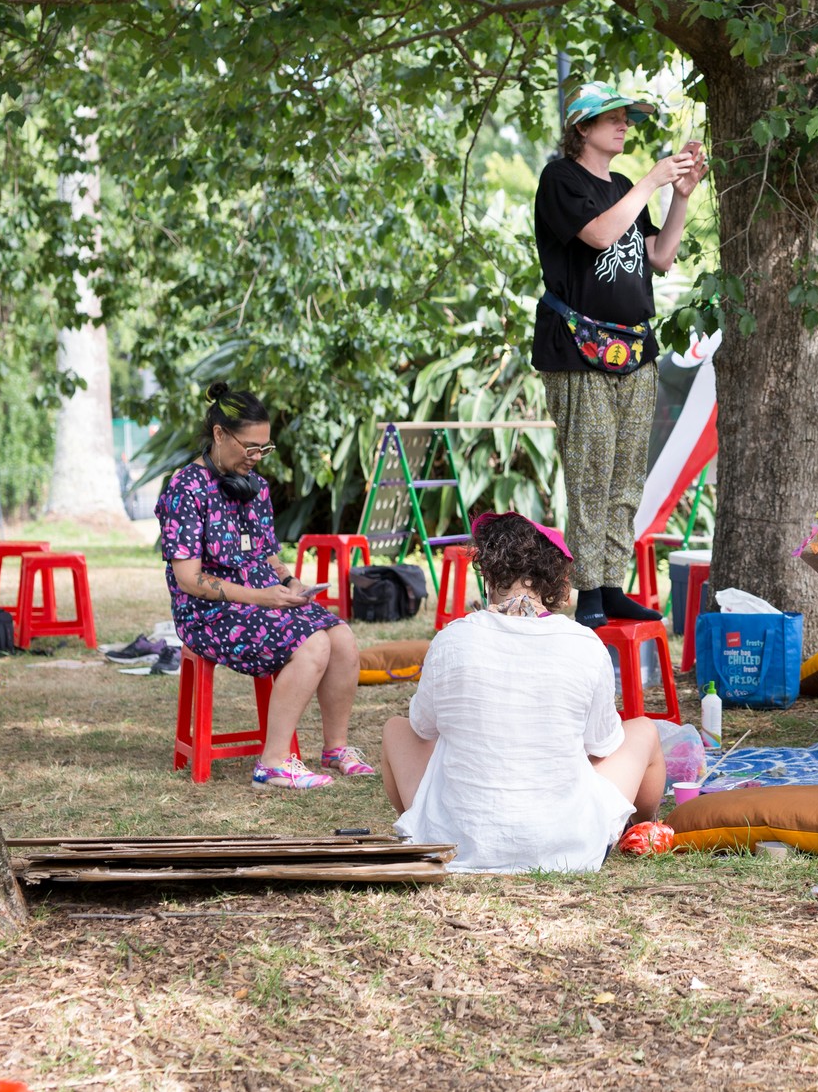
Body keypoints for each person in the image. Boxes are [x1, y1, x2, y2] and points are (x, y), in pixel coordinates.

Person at [381, 511, 666, 872]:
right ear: (559, 582)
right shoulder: (584, 643)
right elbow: (603, 746)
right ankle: (641, 828)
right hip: (568, 846)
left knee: (396, 728)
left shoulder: (452, 639)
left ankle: (431, 827)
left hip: (453, 843)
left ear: (487, 572)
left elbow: (421, 730)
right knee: (643, 730)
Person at [531, 81, 708, 628]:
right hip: (577, 347)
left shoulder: (626, 185)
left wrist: (678, 193)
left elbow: (659, 256)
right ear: (581, 127)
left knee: (628, 473)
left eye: (628, 117)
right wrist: (654, 179)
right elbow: (603, 234)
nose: (625, 124)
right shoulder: (561, 179)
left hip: (634, 347)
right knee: (591, 471)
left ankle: (610, 585)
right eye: (613, 117)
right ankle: (586, 592)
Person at [157, 384, 371, 791]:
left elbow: (268, 553)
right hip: (208, 613)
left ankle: (335, 748)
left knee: (341, 637)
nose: (256, 457)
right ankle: (272, 764)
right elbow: (189, 579)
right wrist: (262, 598)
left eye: (263, 448)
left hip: (261, 600)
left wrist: (291, 582)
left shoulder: (255, 488)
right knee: (314, 644)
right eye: (249, 447)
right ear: (219, 434)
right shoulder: (185, 489)